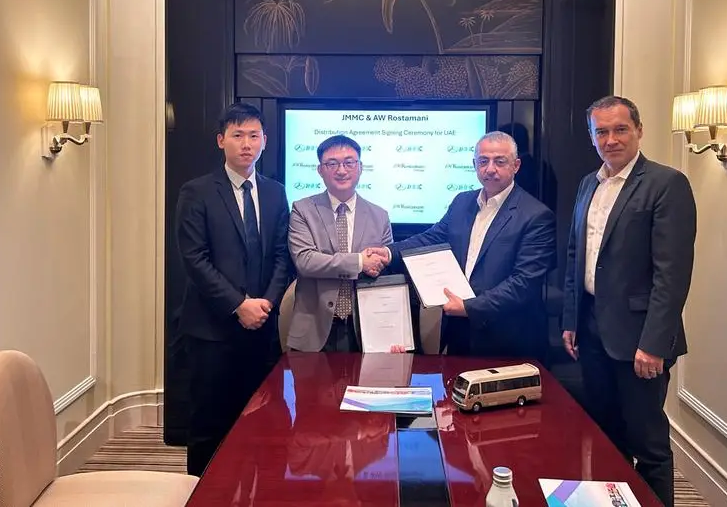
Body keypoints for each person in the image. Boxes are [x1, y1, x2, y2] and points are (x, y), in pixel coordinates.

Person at [561, 95, 696, 507]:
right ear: (591, 137)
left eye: (620, 129)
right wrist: (570, 319)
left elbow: (672, 275)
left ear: (639, 130)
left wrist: (654, 343)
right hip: (592, 331)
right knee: (607, 438)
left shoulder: (666, 183)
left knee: (649, 445)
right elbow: (576, 255)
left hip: (640, 339)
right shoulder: (589, 183)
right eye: (601, 131)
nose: (611, 139)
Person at [175, 102, 292, 476]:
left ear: (264, 141)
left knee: (262, 420)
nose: (246, 143)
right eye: (238, 135)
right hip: (211, 331)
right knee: (209, 424)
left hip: (261, 329)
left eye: (254, 135)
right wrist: (239, 304)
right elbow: (194, 259)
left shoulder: (275, 193)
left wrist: (265, 303)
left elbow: (282, 256)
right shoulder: (196, 192)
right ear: (220, 140)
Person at [376, 130, 557, 360]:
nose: (490, 169)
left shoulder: (536, 215)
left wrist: (470, 307)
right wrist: (388, 253)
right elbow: (432, 238)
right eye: (483, 161)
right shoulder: (463, 202)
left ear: (516, 165)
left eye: (500, 161)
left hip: (507, 336)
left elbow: (524, 282)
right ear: (474, 165)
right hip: (460, 331)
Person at [286, 135, 394, 352]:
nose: (341, 170)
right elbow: (305, 261)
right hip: (315, 330)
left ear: (360, 167)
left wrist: (378, 265)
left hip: (366, 330)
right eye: (332, 164)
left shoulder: (380, 215)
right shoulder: (302, 209)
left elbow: (387, 268)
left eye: (349, 162)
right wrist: (360, 262)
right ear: (320, 170)